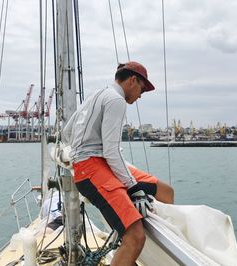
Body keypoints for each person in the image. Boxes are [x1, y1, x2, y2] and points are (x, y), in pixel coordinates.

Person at [62, 61, 174, 266]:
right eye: (142, 89)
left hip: (96, 164)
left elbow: (66, 133)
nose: (140, 95)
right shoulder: (116, 100)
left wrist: (78, 152)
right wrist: (133, 188)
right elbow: (111, 151)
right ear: (133, 80)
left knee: (165, 191)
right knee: (135, 237)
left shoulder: (96, 95)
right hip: (92, 168)